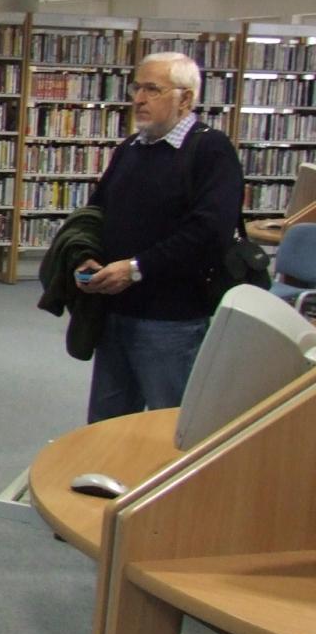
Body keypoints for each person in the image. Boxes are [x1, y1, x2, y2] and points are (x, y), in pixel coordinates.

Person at [76, 51, 244, 423]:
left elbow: (209, 233)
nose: (139, 99)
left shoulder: (211, 150)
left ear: (186, 99)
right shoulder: (130, 149)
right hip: (115, 309)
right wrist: (86, 256)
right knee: (106, 427)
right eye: (136, 88)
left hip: (172, 320)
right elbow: (96, 212)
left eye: (152, 89)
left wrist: (136, 268)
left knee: (169, 428)